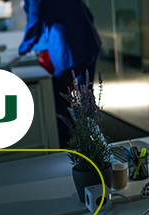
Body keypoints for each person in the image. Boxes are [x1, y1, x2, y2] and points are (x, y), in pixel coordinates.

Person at [18, 0, 101, 148]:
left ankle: (64, 139)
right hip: (90, 43)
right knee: (85, 93)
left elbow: (36, 20)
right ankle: (92, 139)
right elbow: (89, 14)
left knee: (55, 90)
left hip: (70, 49)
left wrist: (22, 50)